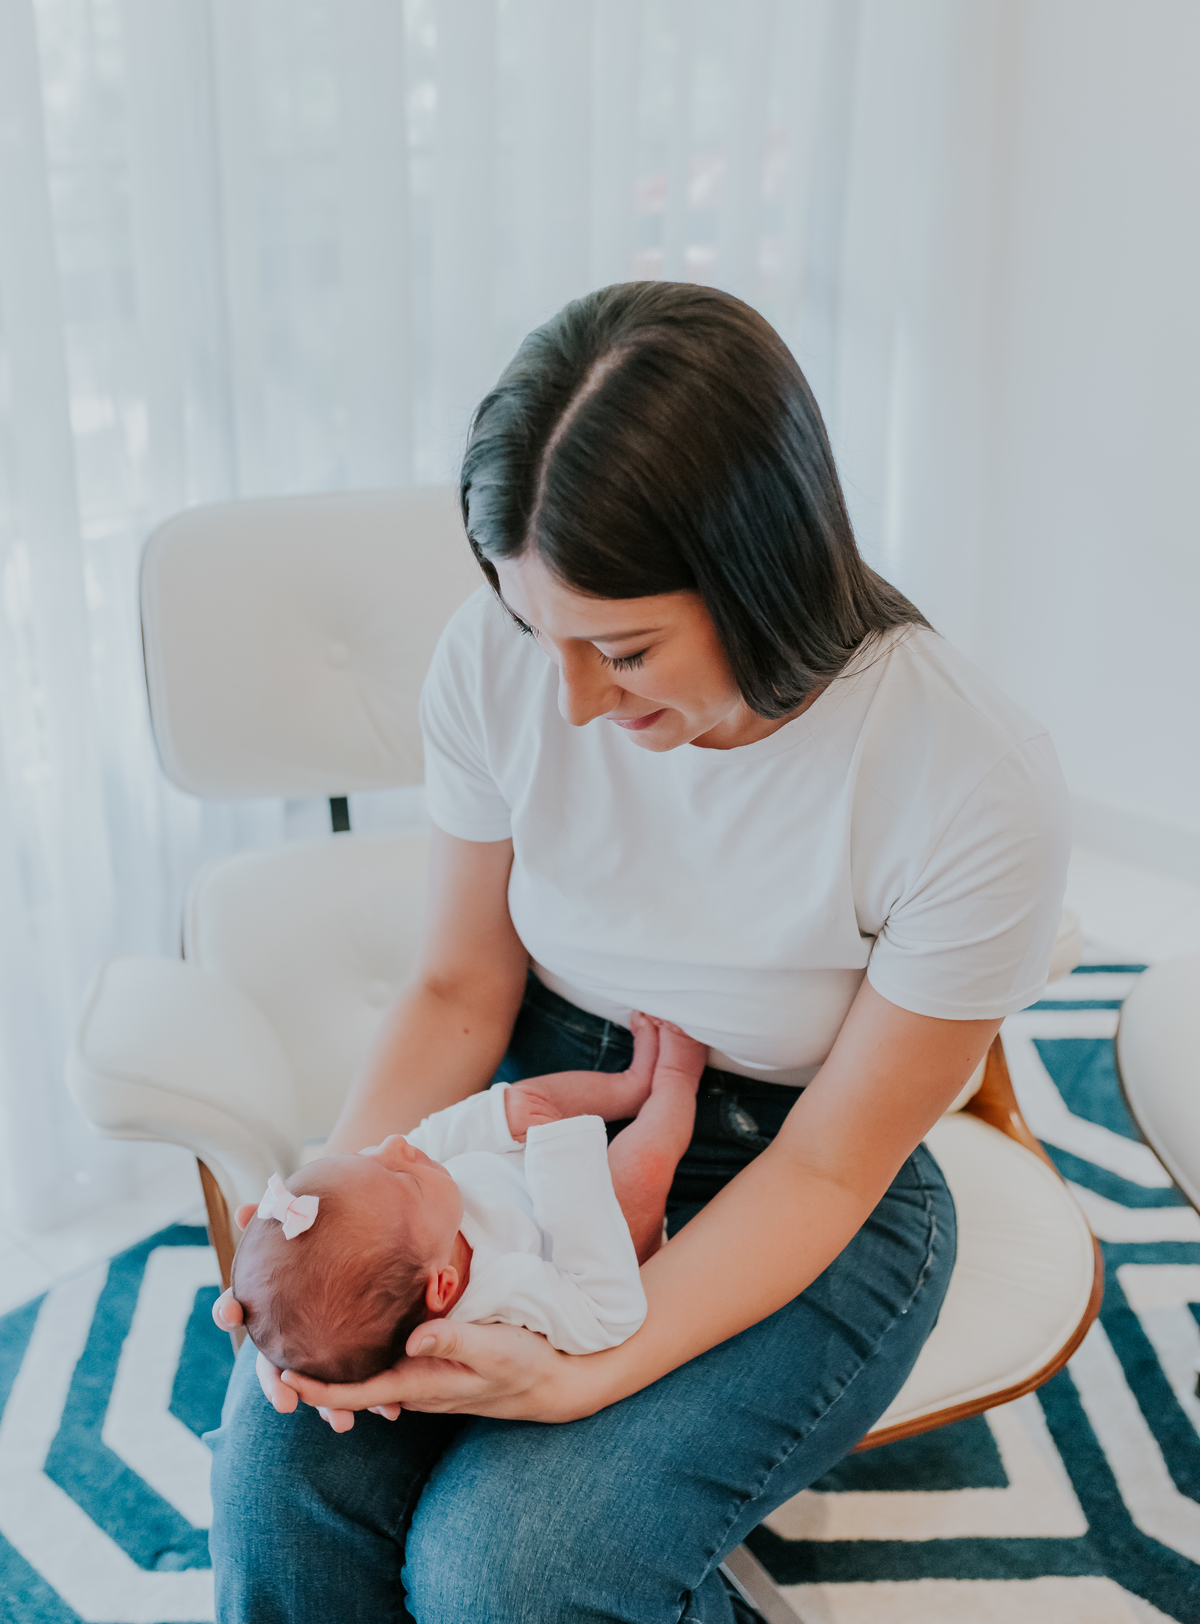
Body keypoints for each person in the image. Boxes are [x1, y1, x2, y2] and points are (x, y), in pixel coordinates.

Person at [207, 282, 1070, 1624]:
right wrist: (330, 1223)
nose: (571, 702)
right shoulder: (498, 666)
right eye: (536, 634)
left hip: (796, 1169)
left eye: (623, 648)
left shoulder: (964, 777)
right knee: (279, 1483)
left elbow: (836, 1165)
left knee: (507, 1571)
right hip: (521, 1116)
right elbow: (455, 987)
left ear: (761, 568)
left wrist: (583, 1372)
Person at [230, 1016, 706, 1382]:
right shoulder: (504, 1289)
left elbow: (429, 1138)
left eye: (368, 1156)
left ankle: (630, 1084)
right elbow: (608, 1314)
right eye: (403, 1176)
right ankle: (676, 1080)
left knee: (521, 1099)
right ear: (443, 1287)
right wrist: (564, 1171)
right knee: (640, 1169)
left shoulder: (410, 1219)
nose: (395, 1146)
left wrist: (496, 1119)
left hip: (536, 1166)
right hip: (598, 1238)